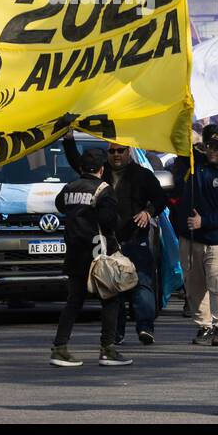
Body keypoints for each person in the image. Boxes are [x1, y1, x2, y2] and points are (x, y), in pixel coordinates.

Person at [63, 137, 165, 344]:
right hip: (108, 242)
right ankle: (115, 333)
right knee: (112, 287)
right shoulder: (101, 174)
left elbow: (161, 199)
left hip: (136, 239)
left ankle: (145, 328)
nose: (116, 155)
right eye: (112, 151)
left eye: (121, 150)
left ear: (129, 152)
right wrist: (68, 139)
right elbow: (77, 163)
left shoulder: (143, 175)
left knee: (142, 284)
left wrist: (148, 212)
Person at [49, 148, 131, 367]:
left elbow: (60, 206)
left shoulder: (69, 188)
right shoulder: (104, 190)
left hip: (74, 254)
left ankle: (60, 348)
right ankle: (108, 349)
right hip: (98, 255)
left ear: (82, 168)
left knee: (74, 301)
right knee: (111, 299)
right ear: (102, 169)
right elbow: (109, 221)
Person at [177, 124, 218, 346]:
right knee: (194, 286)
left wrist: (204, 221)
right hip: (190, 238)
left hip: (216, 241)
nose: (213, 151)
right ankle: (203, 326)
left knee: (217, 284)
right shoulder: (195, 166)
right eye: (209, 147)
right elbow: (179, 142)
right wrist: (184, 115)